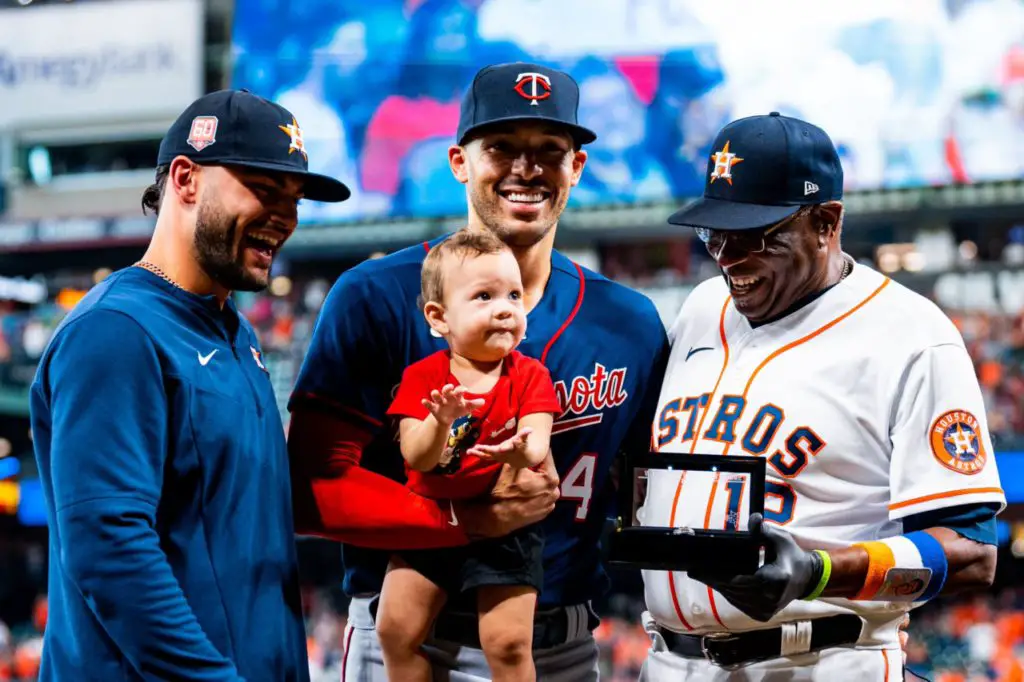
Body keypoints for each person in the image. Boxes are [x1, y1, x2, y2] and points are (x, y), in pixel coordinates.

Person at [286, 61, 669, 681]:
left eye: (550, 149)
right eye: (501, 147)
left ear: (578, 167)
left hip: (557, 646)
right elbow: (308, 489)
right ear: (459, 161)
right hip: (407, 637)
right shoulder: (375, 296)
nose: (527, 169)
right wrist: (461, 521)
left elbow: (648, 490)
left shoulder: (631, 322)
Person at [639, 111, 1006, 681]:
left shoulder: (911, 334)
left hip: (819, 659)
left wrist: (820, 571)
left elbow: (973, 551)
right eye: (716, 236)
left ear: (826, 222)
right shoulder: (700, 308)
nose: (730, 259)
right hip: (671, 663)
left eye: (756, 237)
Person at [29, 89, 351, 681]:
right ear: (185, 178)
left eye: (295, 199)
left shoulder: (238, 333)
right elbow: (109, 547)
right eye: (264, 189)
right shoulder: (116, 331)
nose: (286, 217)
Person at [376, 229, 562, 681]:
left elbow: (538, 438)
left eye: (514, 295)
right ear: (439, 317)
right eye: (483, 296)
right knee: (394, 629)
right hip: (430, 521)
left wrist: (521, 453)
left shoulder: (530, 374)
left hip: (505, 530)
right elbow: (418, 460)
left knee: (508, 641)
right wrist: (440, 422)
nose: (505, 308)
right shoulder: (422, 378)